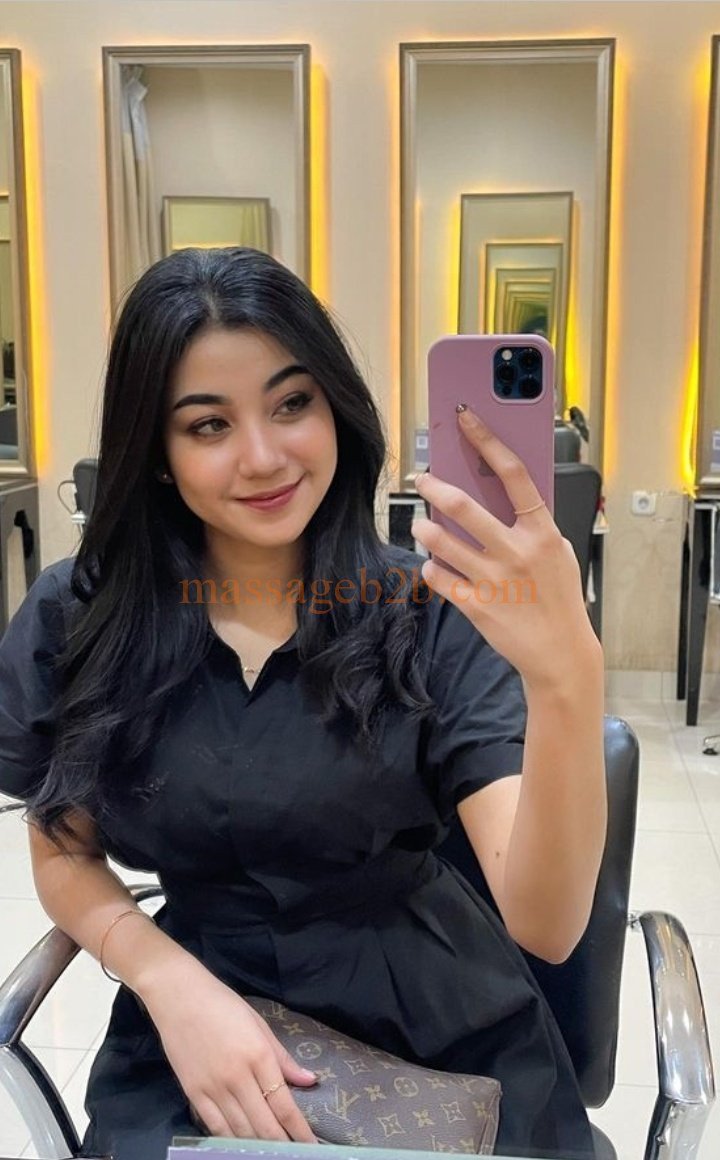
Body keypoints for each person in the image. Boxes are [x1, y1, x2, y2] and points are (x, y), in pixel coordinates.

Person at [0, 247, 605, 1160]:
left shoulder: (429, 608)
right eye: (208, 424)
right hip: (196, 1025)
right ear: (155, 452)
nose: (264, 456)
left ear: (336, 410)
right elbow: (63, 850)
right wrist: (168, 982)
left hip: (432, 1025)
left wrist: (567, 680)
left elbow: (546, 926)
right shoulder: (80, 614)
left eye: (292, 404)